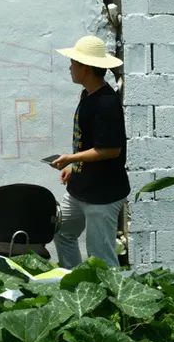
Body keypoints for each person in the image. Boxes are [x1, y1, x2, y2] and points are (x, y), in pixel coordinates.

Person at [50, 35, 129, 268]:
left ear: (86, 67)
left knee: (100, 256)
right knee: (62, 232)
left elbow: (110, 150)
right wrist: (76, 166)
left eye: (73, 63)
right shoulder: (88, 94)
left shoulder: (107, 103)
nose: (70, 68)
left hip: (103, 193)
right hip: (81, 187)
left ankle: (110, 290)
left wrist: (71, 159)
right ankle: (75, 282)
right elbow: (89, 142)